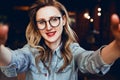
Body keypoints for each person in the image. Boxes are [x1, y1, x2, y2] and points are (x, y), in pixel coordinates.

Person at [0, 0, 120, 80]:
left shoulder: (74, 51)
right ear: (37, 26)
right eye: (42, 22)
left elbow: (91, 61)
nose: (48, 27)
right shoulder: (30, 51)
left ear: (63, 20)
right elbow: (14, 60)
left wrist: (116, 47)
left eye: (54, 19)